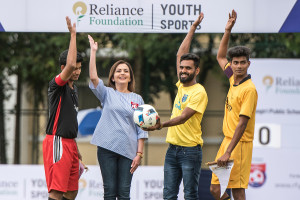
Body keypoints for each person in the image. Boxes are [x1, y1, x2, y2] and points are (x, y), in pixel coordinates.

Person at [146, 13, 208, 200]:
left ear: (196, 71)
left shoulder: (199, 92)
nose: (183, 71)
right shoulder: (181, 85)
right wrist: (192, 28)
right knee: (168, 194)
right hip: (172, 149)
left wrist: (161, 125)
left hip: (190, 151)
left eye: (188, 68)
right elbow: (180, 54)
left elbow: (183, 117)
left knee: (190, 194)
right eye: (182, 68)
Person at [88, 35, 148, 200]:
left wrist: (139, 154)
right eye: (118, 71)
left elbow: (141, 129)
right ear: (113, 77)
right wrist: (93, 52)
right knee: (109, 192)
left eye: (126, 71)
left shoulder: (138, 99)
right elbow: (93, 78)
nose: (122, 73)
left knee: (123, 193)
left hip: (128, 151)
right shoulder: (107, 93)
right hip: (106, 149)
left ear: (130, 77)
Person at [210, 10, 258, 200]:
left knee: (238, 191)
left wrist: (228, 151)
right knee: (216, 189)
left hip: (239, 146)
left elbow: (242, 124)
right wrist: (227, 30)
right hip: (227, 142)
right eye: (235, 63)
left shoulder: (249, 89)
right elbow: (220, 57)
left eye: (242, 63)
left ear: (248, 64)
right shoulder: (233, 80)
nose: (238, 66)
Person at [43, 17, 83, 200]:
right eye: (75, 68)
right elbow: (70, 64)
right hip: (57, 142)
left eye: (79, 68)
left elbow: (69, 120)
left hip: (70, 144)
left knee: (72, 191)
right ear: (62, 68)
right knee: (57, 191)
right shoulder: (56, 85)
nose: (76, 71)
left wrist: (75, 147)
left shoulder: (74, 90)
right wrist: (73, 35)